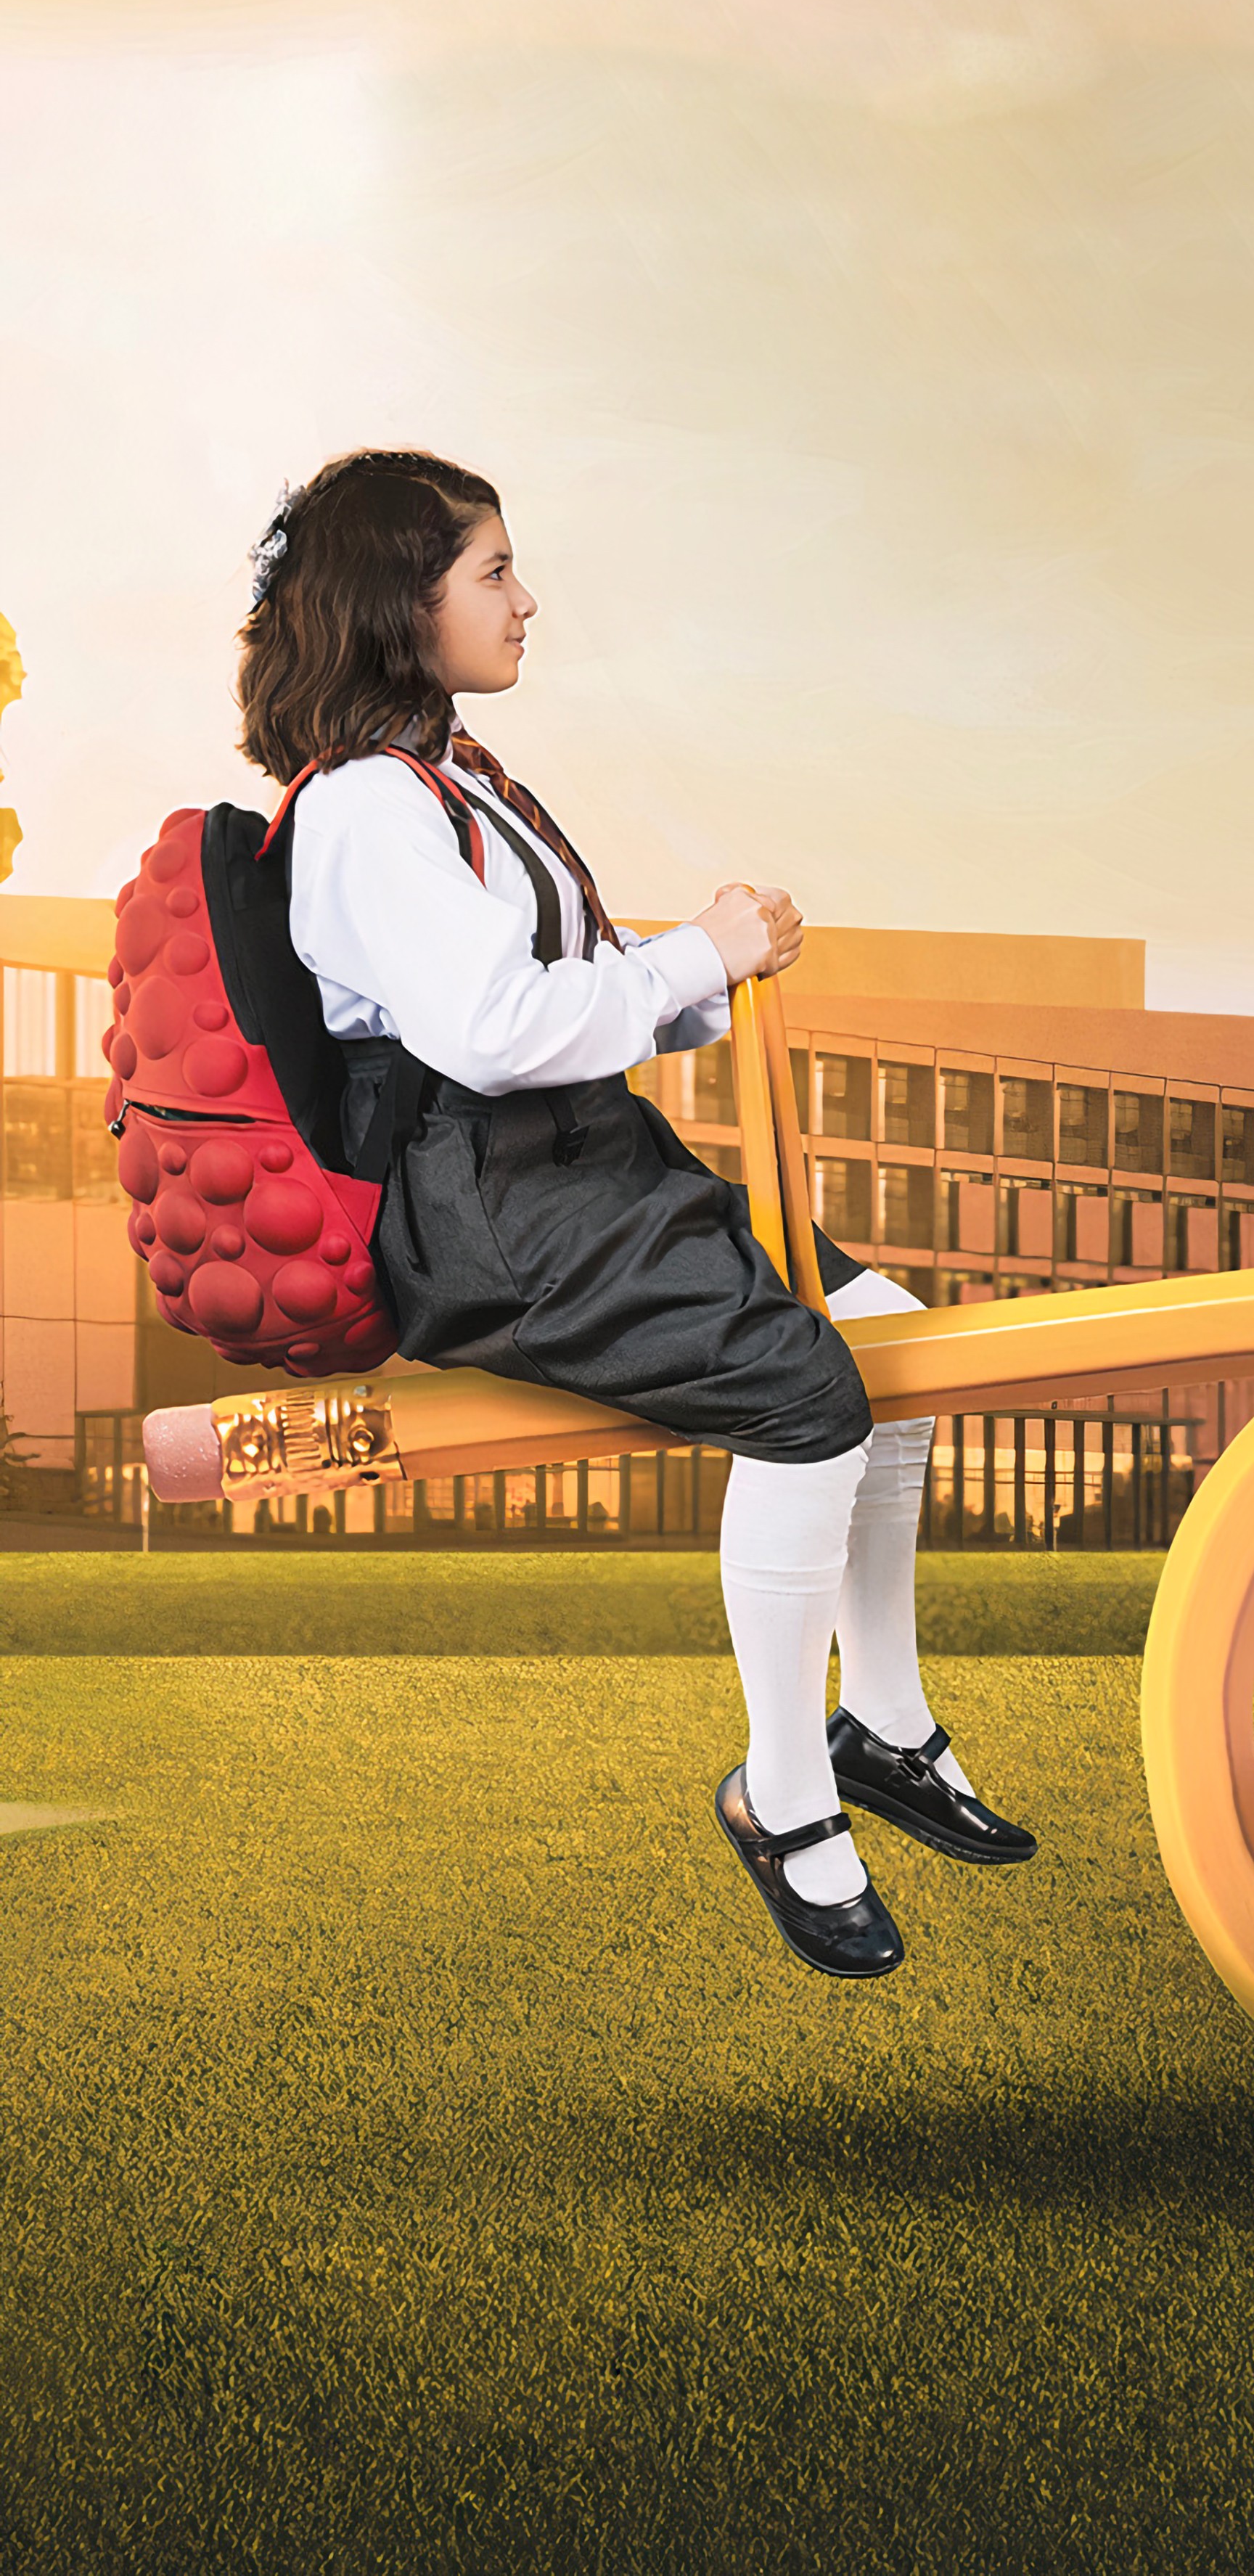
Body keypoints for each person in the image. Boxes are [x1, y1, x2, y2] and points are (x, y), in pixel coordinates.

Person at [239, 448, 1035, 1975]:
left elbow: (560, 993)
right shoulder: (364, 809)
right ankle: (782, 1795)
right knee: (809, 1400)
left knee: (892, 1337)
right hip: (492, 1206)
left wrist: (704, 976)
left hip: (582, 1157)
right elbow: (489, 1034)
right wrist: (695, 957)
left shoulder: (454, 777)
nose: (526, 602)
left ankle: (882, 1721)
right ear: (405, 601)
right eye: (493, 573)